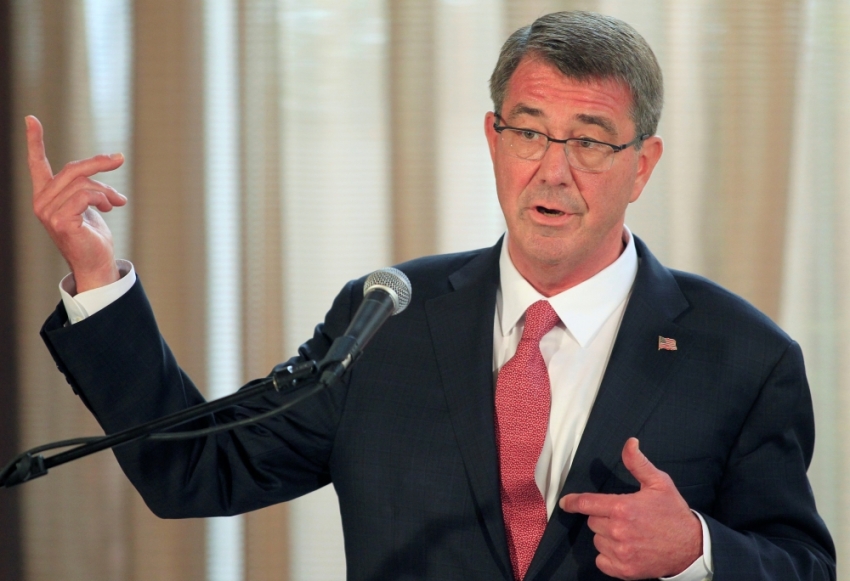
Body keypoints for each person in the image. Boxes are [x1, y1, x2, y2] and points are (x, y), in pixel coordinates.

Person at [28, 11, 834, 581]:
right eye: (528, 131)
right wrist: (98, 279)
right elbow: (197, 470)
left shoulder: (746, 356)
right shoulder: (385, 316)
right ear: (494, 139)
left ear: (643, 163)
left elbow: (802, 567)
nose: (553, 170)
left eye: (589, 141)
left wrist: (696, 548)